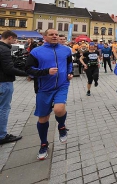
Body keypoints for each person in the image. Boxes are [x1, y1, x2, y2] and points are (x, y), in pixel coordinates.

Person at [25, 29, 73, 159]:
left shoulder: (66, 50)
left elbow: (69, 63)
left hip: (62, 85)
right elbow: (28, 70)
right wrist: (46, 71)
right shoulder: (36, 52)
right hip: (44, 88)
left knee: (59, 109)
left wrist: (70, 73)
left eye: (56, 34)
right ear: (45, 37)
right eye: (51, 34)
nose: (55, 36)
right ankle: (44, 144)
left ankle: (61, 127)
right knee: (43, 118)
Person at [0, 30, 28, 145]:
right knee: (4, 108)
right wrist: (26, 73)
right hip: (4, 82)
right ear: (10, 37)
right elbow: (8, 69)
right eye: (15, 40)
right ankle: (2, 135)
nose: (15, 42)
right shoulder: (5, 49)